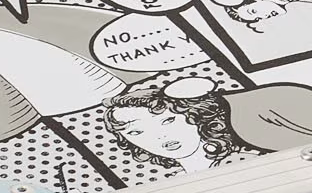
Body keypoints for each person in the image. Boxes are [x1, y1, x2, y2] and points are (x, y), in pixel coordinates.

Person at [106, 74, 257, 176]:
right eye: (136, 132)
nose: (160, 136)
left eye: (168, 121)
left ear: (195, 116)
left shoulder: (240, 162)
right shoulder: (175, 179)